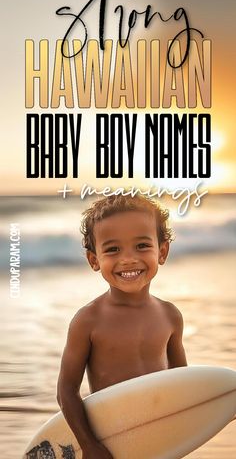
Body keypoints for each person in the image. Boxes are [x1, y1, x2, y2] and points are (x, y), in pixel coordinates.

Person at [57, 194, 187, 459]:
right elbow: (66, 391)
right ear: (94, 260)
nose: (128, 259)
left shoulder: (170, 315)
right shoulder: (88, 321)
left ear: (162, 252)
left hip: (162, 438)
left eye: (141, 246)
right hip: (110, 442)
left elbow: (184, 384)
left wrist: (216, 409)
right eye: (113, 249)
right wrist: (89, 445)